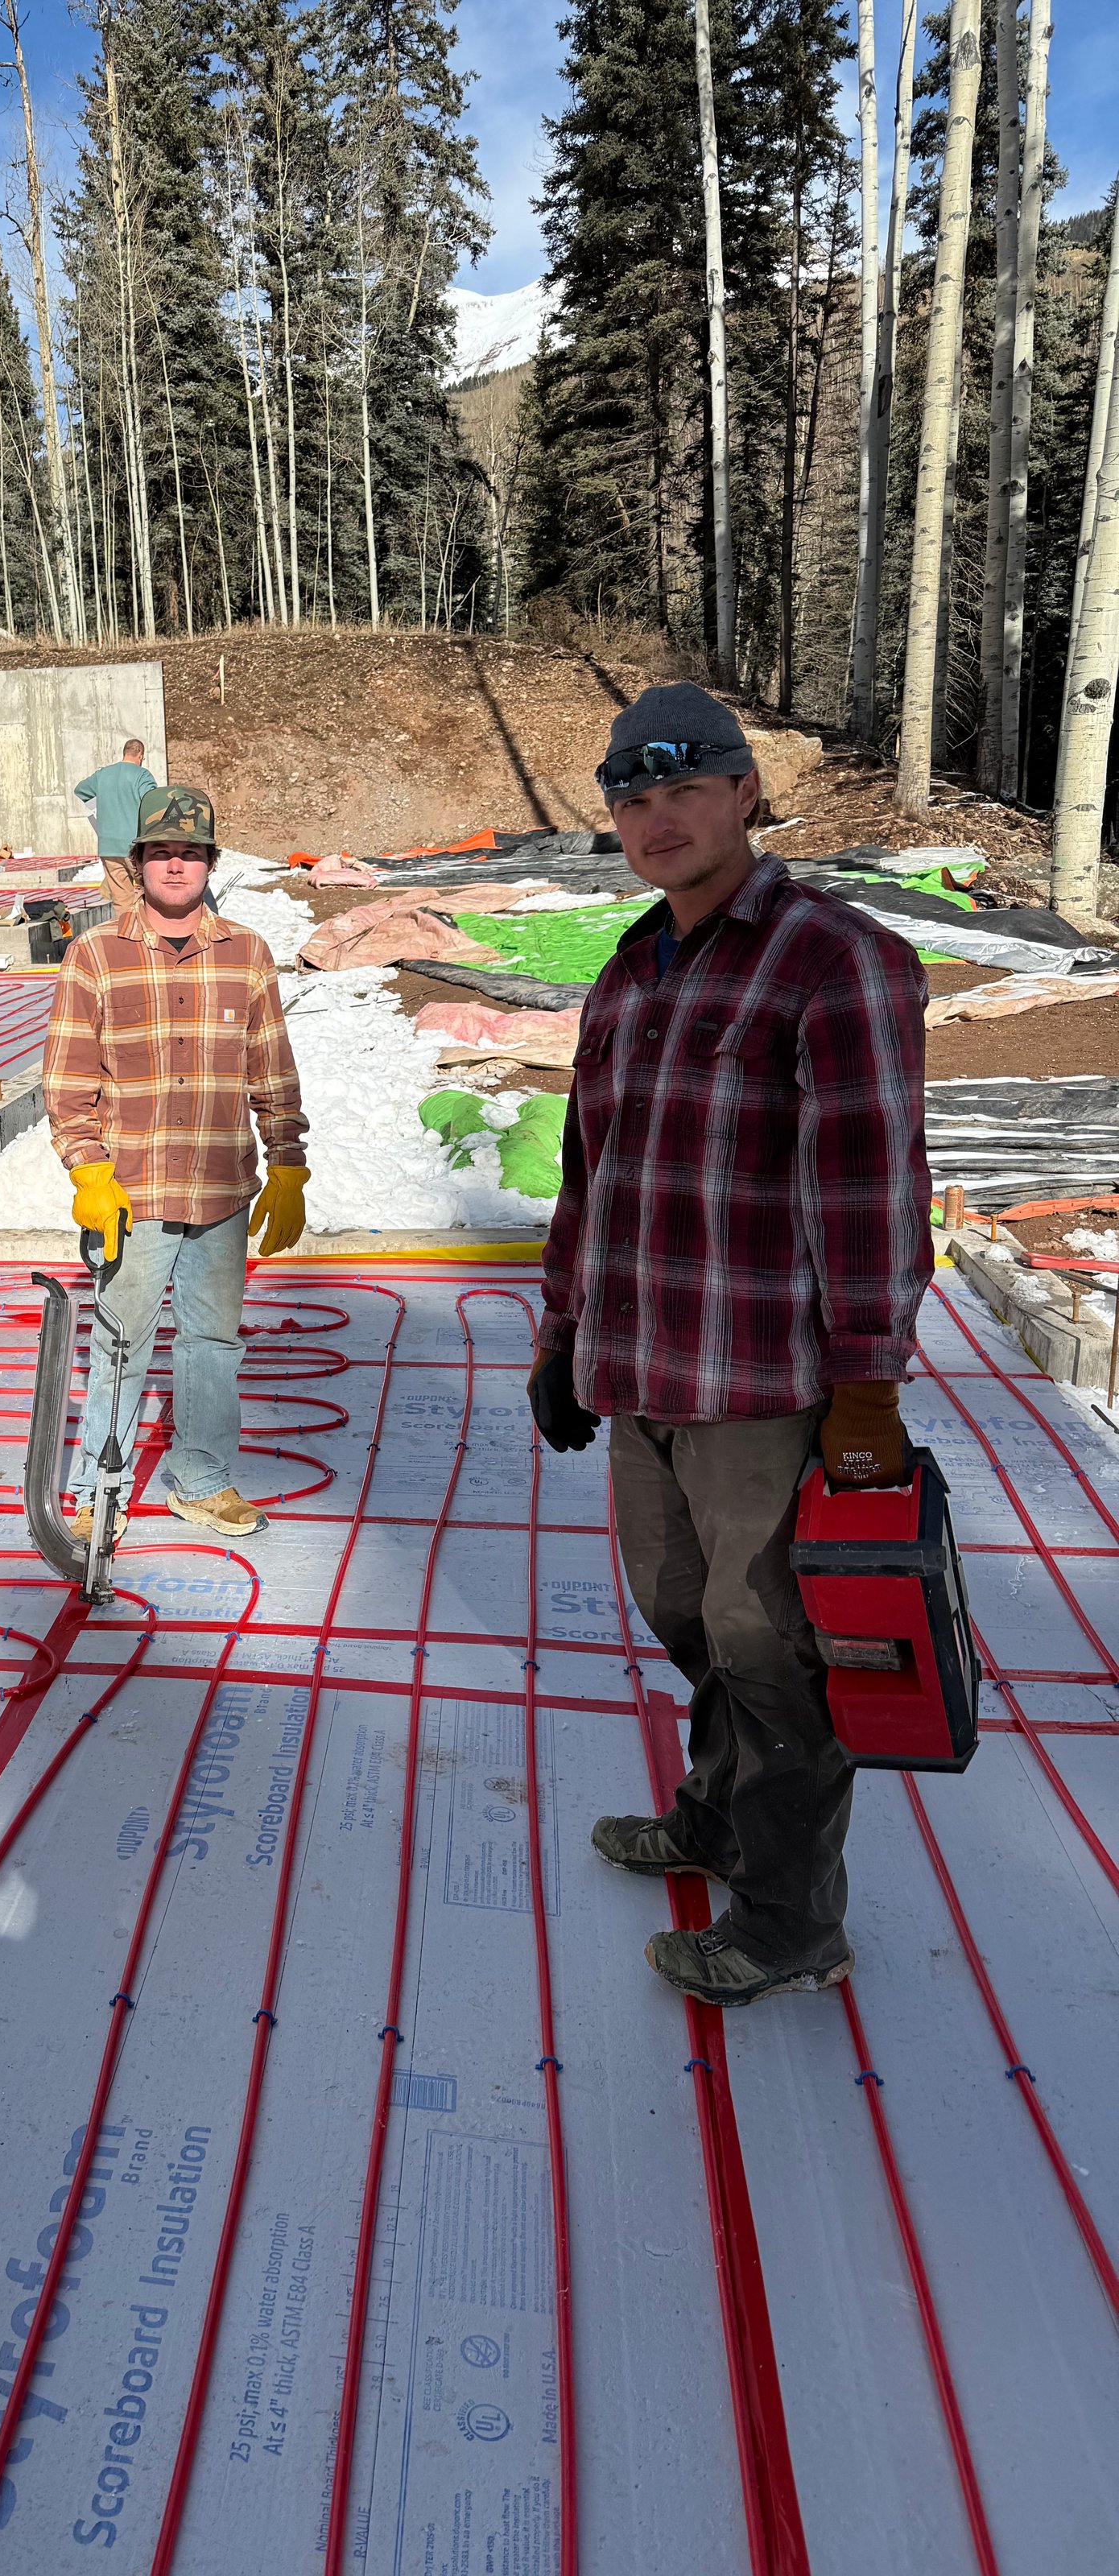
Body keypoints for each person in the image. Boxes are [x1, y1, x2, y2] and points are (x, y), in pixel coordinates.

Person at [532, 681, 932, 2010]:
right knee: (687, 1617)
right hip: (643, 1367)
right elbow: (590, 1171)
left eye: (685, 786)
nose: (658, 816)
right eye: (632, 796)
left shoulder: (838, 961)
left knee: (773, 1653)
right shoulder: (632, 965)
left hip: (764, 1386)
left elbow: (875, 1190)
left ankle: (787, 1924)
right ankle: (712, 1819)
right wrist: (561, 1329)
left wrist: (867, 1384)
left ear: (746, 792)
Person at [43, 782, 308, 1542]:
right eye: (162, 852)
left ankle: (201, 1481)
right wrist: (89, 1171)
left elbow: (271, 1067)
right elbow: (68, 1080)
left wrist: (288, 1162)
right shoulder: (97, 954)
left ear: (209, 864)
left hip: (221, 1189)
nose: (175, 866)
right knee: (123, 1341)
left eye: (190, 854)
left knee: (213, 1342)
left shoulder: (247, 954)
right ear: (139, 863)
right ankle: (101, 1486)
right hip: (134, 1191)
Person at [74, 738, 160, 912]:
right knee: (154, 895)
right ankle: (152, 934)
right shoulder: (142, 775)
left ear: (124, 753)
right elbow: (152, 802)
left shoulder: (103, 774)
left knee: (122, 902)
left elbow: (80, 790)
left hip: (108, 848)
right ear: (140, 755)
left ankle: (127, 936)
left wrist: (100, 802)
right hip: (135, 847)